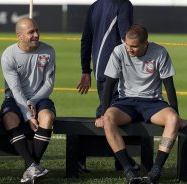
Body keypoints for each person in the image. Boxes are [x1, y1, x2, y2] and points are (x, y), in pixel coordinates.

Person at [95, 24, 186, 184]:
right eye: (127, 45)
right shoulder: (119, 51)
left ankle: (156, 170)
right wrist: (103, 114)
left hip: (153, 103)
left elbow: (169, 86)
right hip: (126, 103)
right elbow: (109, 85)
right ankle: (128, 170)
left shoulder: (160, 52)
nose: (129, 50)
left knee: (172, 119)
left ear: (146, 43)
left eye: (134, 47)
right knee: (109, 118)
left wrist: (176, 115)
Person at [76, 0, 136, 172]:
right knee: (113, 113)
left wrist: (86, 70)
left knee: (107, 110)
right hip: (119, 69)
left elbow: (85, 38)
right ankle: (120, 161)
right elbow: (127, 37)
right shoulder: (123, 4)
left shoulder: (95, 5)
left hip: (100, 69)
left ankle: (117, 160)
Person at [0, 18, 56, 183]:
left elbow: (49, 84)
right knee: (9, 118)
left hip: (39, 97)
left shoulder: (49, 51)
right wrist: (27, 114)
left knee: (47, 117)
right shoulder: (8, 55)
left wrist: (33, 101)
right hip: (15, 98)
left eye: (37, 30)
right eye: (31, 32)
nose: (36, 35)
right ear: (19, 35)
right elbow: (16, 90)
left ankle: (32, 167)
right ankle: (32, 165)